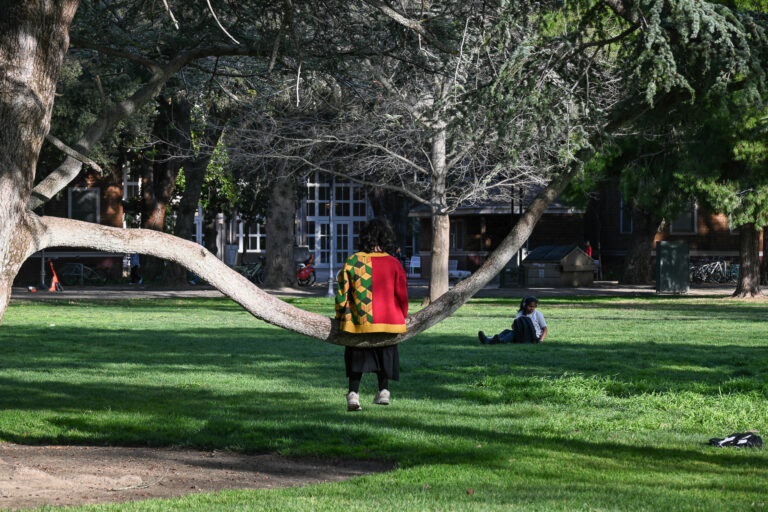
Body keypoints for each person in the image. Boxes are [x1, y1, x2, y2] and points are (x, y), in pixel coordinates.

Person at [336, 218, 408, 412]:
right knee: (386, 352)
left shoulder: (352, 261)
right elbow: (402, 294)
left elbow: (342, 293)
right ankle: (384, 391)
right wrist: (404, 314)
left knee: (355, 354)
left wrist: (340, 313)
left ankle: (353, 395)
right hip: (389, 321)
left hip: (360, 322)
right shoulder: (394, 263)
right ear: (386, 238)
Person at [478, 296, 547, 344]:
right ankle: (489, 339)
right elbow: (514, 327)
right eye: (530, 306)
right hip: (524, 334)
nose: (532, 308)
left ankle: (499, 341)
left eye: (534, 307)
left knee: (513, 333)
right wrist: (519, 319)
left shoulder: (538, 314)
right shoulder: (521, 313)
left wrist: (541, 340)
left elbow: (545, 329)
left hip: (533, 337)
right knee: (507, 331)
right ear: (525, 305)